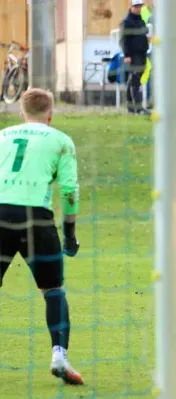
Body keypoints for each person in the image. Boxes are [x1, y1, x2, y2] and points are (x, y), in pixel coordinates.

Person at [0, 89, 82, 384]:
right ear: (50, 114)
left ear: (21, 113)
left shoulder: (3, 136)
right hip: (37, 219)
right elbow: (70, 191)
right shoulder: (61, 140)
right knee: (53, 290)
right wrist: (69, 234)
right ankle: (59, 354)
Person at [119, 0, 150, 115]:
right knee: (136, 82)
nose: (138, 8)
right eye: (136, 6)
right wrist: (127, 55)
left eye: (139, 6)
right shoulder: (126, 22)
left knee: (133, 81)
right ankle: (138, 107)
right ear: (131, 7)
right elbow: (124, 40)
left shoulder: (141, 21)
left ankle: (131, 107)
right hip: (133, 55)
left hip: (142, 54)